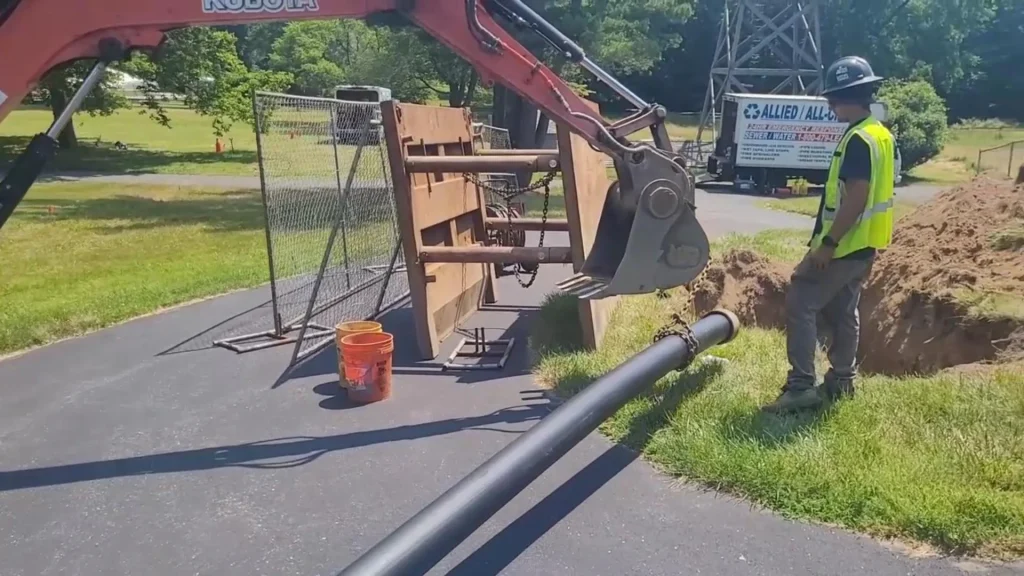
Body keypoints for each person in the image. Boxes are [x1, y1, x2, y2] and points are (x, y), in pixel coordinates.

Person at [762, 56, 897, 413]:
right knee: (843, 309)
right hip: (866, 246)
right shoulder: (880, 134)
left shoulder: (858, 139)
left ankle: (801, 386)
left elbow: (856, 196)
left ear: (846, 96)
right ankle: (842, 380)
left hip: (843, 246)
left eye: (832, 100)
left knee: (801, 300)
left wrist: (828, 243)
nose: (830, 106)